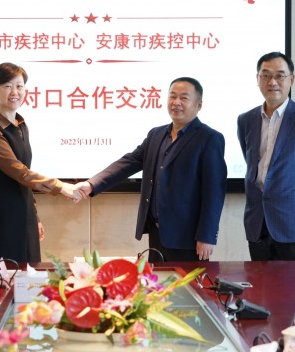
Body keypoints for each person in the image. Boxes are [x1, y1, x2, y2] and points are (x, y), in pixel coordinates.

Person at [74, 77, 227, 262]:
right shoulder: (156, 134)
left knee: (185, 282)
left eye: (184, 98)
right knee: (157, 281)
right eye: (172, 96)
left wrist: (207, 236)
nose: (176, 102)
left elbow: (214, 192)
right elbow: (130, 161)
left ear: (198, 105)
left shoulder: (209, 138)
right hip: (156, 233)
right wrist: (92, 184)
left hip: (188, 238)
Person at [0, 62, 77, 263]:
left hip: (26, 215)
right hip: (3, 216)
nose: (14, 92)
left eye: (19, 86)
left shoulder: (21, 126)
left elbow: (25, 176)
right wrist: (60, 186)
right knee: (6, 277)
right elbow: (18, 171)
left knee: (30, 276)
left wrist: (35, 216)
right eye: (7, 86)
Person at [237, 52, 295, 261]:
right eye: (266, 75)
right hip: (258, 223)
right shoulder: (245, 120)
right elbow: (252, 163)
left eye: (280, 75)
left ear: (291, 80)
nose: (272, 82)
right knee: (261, 282)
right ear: (257, 78)